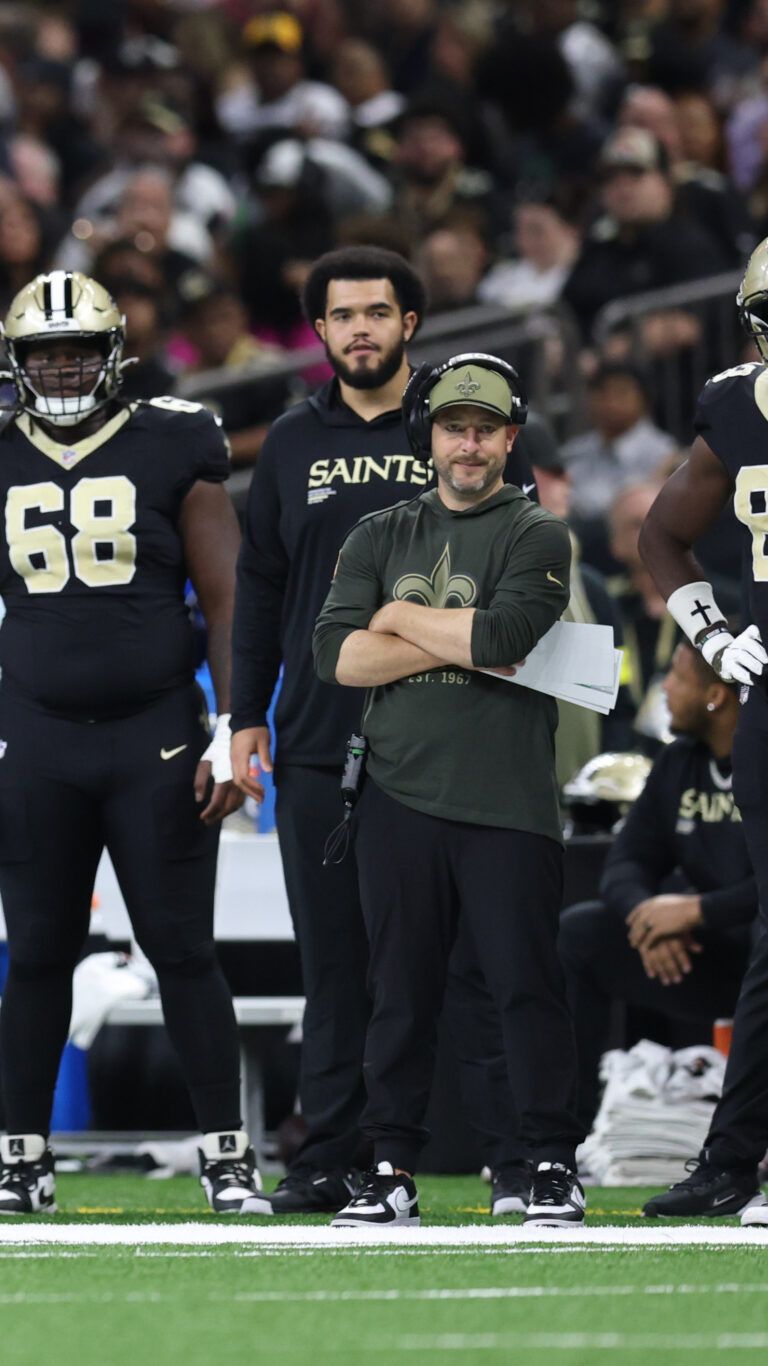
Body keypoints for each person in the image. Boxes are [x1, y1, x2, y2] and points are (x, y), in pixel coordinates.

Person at [0, 270, 262, 1217]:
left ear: (115, 354)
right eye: (45, 352)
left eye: (79, 350)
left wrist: (235, 722)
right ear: (16, 360)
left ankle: (227, 1156)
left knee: (182, 947)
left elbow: (229, 593)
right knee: (36, 951)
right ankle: (23, 1163)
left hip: (156, 728)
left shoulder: (173, 439)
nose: (63, 367)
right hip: (32, 735)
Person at [231, 247, 535, 1217]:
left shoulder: (466, 428)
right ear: (318, 331)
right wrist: (244, 715)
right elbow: (261, 590)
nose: (359, 328)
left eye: (377, 312)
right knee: (335, 963)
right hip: (322, 736)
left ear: (412, 323)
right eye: (341, 315)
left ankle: (514, 1156)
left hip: (461, 734)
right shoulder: (286, 441)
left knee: (479, 961)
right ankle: (332, 1156)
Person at [313, 353, 585, 1228]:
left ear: (511, 439)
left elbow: (508, 636)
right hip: (396, 793)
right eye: (453, 428)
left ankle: (545, 1162)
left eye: (484, 430)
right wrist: (448, 638)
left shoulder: (537, 531)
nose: (468, 445)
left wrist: (393, 616)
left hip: (509, 800)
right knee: (398, 994)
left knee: (524, 988)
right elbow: (336, 656)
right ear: (428, 437)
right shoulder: (377, 532)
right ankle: (389, 1165)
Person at [634, 236, 768, 1222]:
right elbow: (660, 534)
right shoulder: (733, 404)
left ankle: (732, 1156)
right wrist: (714, 636)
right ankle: (733, 1159)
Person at [560, 645, 753, 1120]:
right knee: (581, 934)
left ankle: (746, 1133)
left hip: (755, 945)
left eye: (676, 677)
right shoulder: (678, 762)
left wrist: (695, 910)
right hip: (706, 951)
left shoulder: (761, 763)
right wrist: (646, 918)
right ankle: (567, 1135)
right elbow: (627, 862)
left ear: (715, 695)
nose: (664, 687)